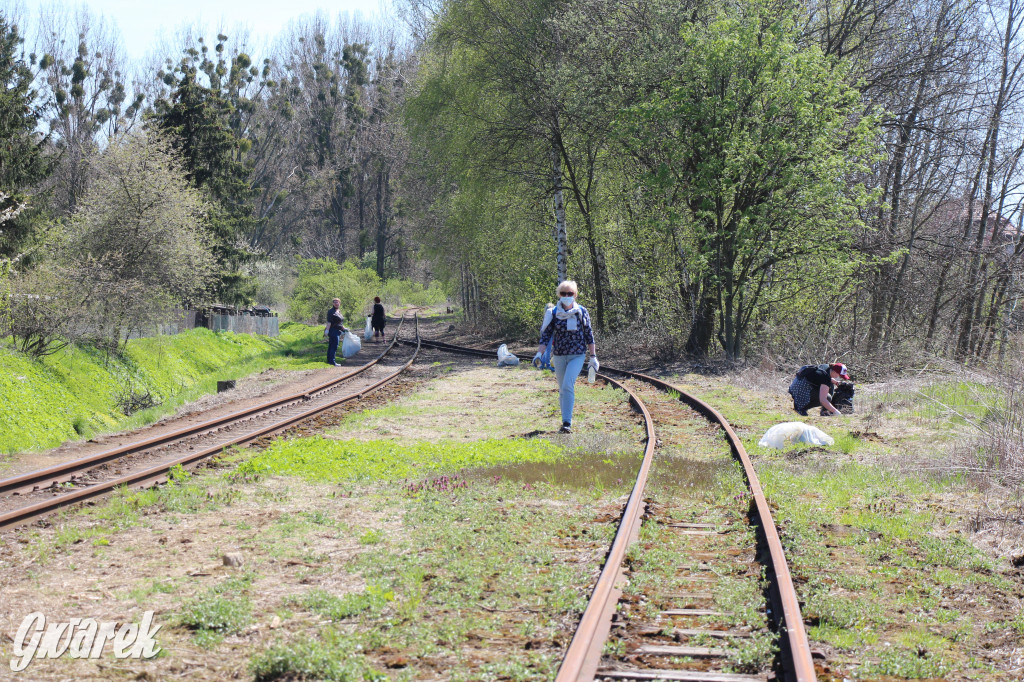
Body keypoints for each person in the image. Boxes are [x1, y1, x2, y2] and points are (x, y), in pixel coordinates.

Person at [534, 280, 597, 434]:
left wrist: (593, 356)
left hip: (578, 355)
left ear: (575, 295)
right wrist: (539, 353)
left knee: (568, 385)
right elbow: (546, 335)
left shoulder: (581, 311)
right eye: (564, 293)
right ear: (559, 295)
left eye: (570, 293)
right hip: (560, 356)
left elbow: (589, 334)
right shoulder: (553, 313)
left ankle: (567, 423)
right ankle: (565, 421)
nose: (567, 296)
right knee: (562, 389)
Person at [326, 298, 349, 366]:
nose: (336, 303)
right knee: (334, 346)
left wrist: (344, 328)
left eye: (337, 302)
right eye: (335, 302)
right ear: (333, 303)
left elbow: (339, 322)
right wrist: (327, 330)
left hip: (338, 330)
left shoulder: (338, 311)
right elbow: (329, 322)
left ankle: (329, 360)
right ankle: (332, 361)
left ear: (339, 303)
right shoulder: (331, 311)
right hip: (333, 330)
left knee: (332, 345)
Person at [534, 302, 556, 371]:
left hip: (549, 333)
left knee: (546, 350)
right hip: (548, 333)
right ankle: (547, 365)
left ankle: (542, 364)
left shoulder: (547, 315)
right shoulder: (550, 314)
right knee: (548, 349)